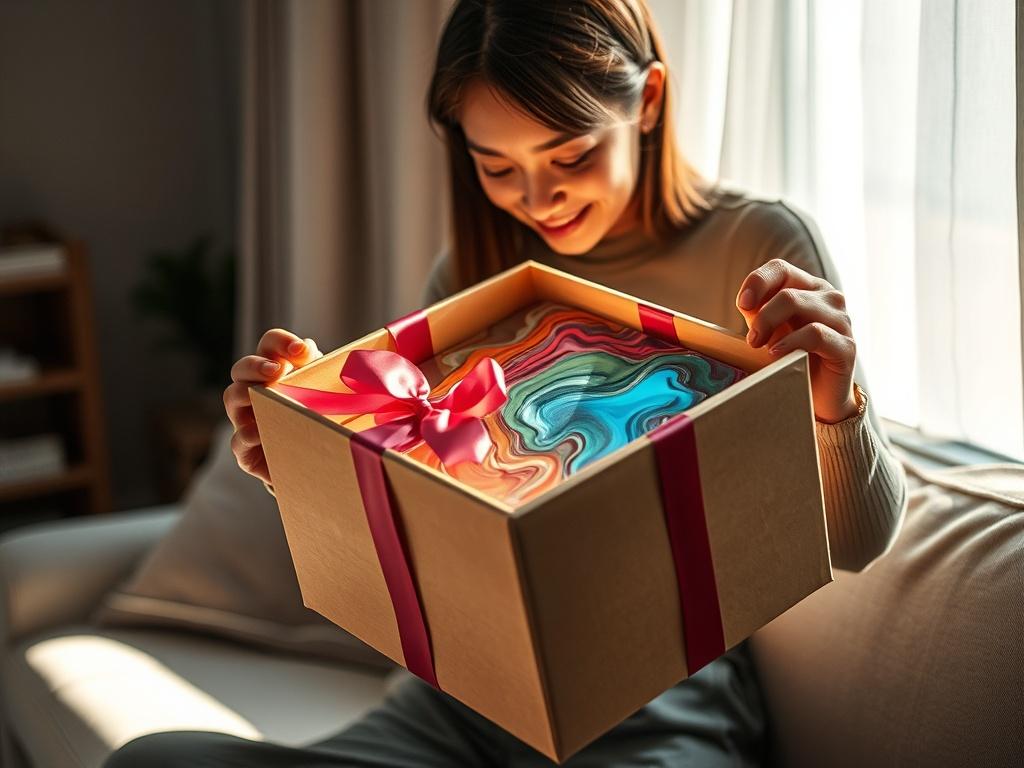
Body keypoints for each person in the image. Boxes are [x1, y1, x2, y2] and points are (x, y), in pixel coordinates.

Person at [104, 0, 907, 765]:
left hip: (660, 692)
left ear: (649, 100)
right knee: (155, 759)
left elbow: (859, 542)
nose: (537, 198)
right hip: (464, 694)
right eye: (496, 165)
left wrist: (836, 403)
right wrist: (310, 456)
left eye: (571, 154)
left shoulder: (756, 245)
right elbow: (440, 522)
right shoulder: (473, 278)